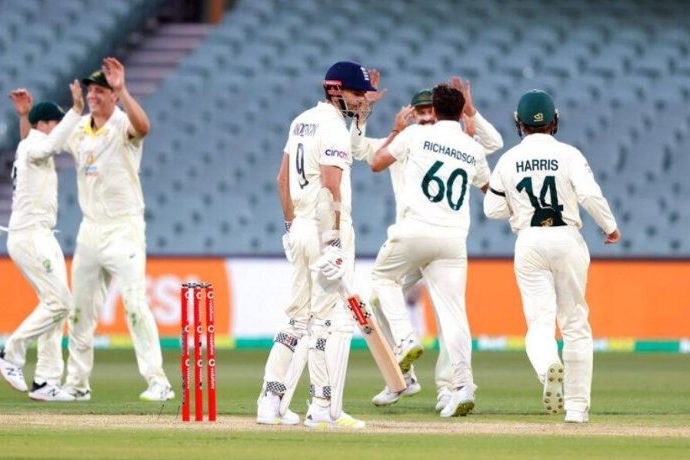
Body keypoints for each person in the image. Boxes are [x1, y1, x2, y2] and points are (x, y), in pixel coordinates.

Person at [351, 76, 503, 410]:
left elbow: (376, 162)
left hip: (414, 231)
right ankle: (456, 386)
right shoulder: (470, 146)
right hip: (452, 238)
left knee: (381, 279)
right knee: (453, 316)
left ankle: (412, 346)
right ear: (459, 111)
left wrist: (388, 125)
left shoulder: (415, 135)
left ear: (433, 109)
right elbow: (490, 193)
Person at [36, 58, 173, 401]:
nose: (93, 95)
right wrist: (28, 118)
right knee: (79, 312)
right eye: (91, 90)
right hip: (90, 231)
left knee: (135, 305)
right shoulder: (79, 128)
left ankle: (158, 381)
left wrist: (123, 89)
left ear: (113, 96)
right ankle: (77, 385)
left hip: (124, 228)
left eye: (101, 90)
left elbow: (145, 128)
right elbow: (44, 146)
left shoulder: (123, 124)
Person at [483, 90, 620, 423]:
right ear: (555, 121)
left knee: (539, 323)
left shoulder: (508, 160)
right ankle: (576, 408)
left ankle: (548, 368)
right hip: (567, 238)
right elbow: (589, 193)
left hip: (529, 241)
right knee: (575, 324)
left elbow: (492, 209)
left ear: (519, 123)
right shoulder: (570, 154)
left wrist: (518, 207)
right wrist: (609, 226)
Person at [257, 61, 377, 429]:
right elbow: (330, 185)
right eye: (357, 94)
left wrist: (291, 225)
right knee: (324, 322)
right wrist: (334, 239)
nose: (361, 101)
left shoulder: (302, 120)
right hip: (324, 231)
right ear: (337, 91)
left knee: (296, 319)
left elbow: (281, 177)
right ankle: (321, 408)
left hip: (300, 229)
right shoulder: (333, 128)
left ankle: (270, 402)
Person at [0, 83, 84, 401]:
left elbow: (33, 141)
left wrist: (24, 117)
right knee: (59, 304)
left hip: (41, 234)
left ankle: (45, 382)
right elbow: (47, 145)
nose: (60, 130)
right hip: (30, 235)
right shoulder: (35, 146)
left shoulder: (28, 145)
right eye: (56, 123)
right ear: (45, 125)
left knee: (59, 306)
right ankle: (9, 354)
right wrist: (75, 110)